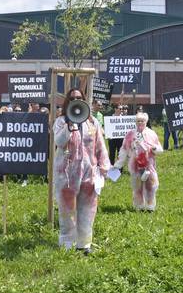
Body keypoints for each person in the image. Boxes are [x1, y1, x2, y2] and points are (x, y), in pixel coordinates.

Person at [53, 88, 110, 254]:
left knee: (88, 209)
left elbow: (100, 145)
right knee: (67, 210)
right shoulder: (61, 121)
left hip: (88, 172)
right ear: (67, 102)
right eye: (72, 98)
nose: (76, 100)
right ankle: (67, 245)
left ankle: (84, 245)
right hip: (66, 174)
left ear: (84, 100)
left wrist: (104, 167)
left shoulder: (92, 123)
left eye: (79, 97)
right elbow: (59, 142)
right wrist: (69, 125)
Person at [113, 112, 163, 211]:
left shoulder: (151, 133)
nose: (140, 123)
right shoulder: (130, 134)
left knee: (151, 186)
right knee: (137, 187)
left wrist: (154, 148)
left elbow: (160, 149)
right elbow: (124, 149)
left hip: (149, 165)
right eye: (138, 121)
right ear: (135, 122)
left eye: (142, 121)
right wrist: (118, 165)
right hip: (135, 165)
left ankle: (150, 207)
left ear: (146, 121)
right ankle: (139, 206)